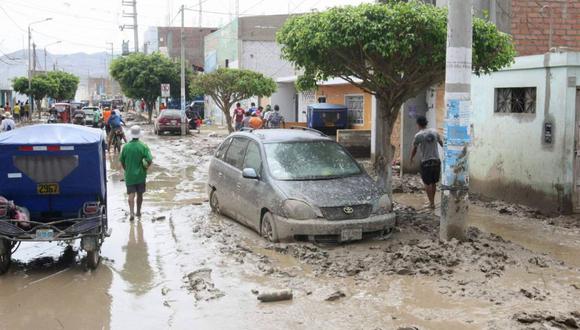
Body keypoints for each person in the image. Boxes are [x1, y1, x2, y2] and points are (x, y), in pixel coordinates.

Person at [410, 116, 443, 210]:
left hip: (426, 162)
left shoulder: (418, 135)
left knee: (427, 183)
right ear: (426, 123)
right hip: (436, 161)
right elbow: (441, 143)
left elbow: (414, 149)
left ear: (418, 124)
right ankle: (432, 202)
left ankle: (431, 203)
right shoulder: (435, 132)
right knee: (433, 182)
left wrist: (411, 158)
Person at [120, 125, 153, 220]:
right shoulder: (143, 146)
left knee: (131, 194)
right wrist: (145, 167)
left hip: (129, 175)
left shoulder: (126, 147)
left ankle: (131, 213)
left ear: (131, 135)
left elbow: (122, 161)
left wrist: (127, 170)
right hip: (141, 176)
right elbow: (150, 159)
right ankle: (138, 212)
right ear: (139, 135)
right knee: (140, 194)